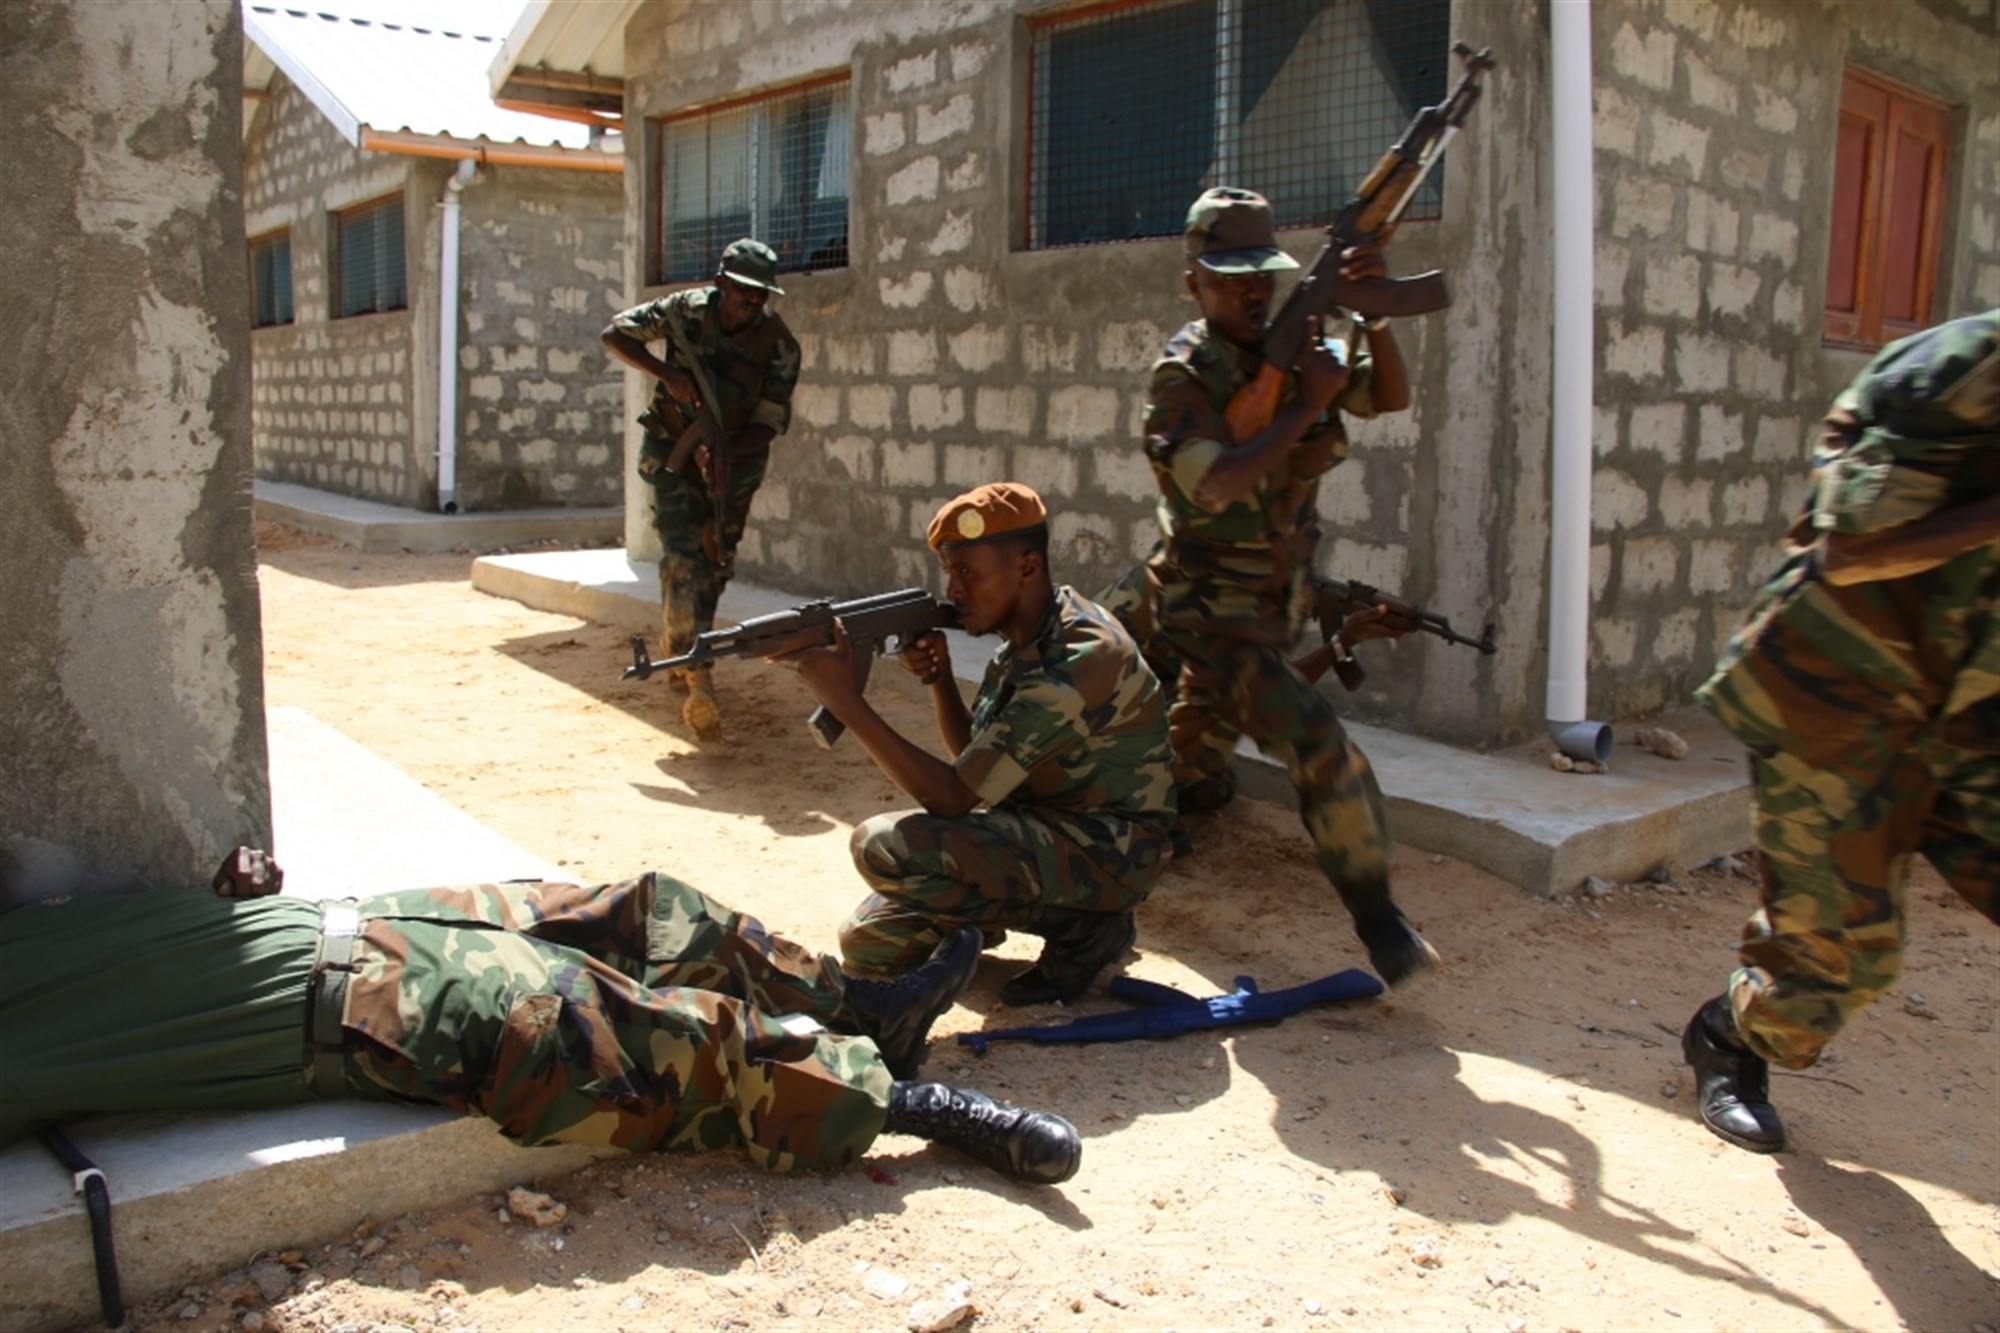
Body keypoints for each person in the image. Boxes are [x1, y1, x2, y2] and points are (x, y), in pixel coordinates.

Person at [0, 843, 1083, 1186]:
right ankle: (892, 1097)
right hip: (355, 1007)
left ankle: (856, 1007)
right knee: (613, 1037)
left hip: (354, 918)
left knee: (644, 911)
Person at [1681, 310, 1998, 1154]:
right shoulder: (1959, 369)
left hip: (1977, 710)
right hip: (1841, 705)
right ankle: (1730, 1035)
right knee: (1827, 975)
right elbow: (1851, 553)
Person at [1132, 185, 1436, 986]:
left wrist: (1369, 312)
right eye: (1230, 277)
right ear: (1191, 279)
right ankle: (1382, 922)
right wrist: (1306, 406)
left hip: (1271, 607)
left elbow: (1391, 394)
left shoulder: (1296, 338)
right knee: (1317, 744)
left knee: (1188, 755)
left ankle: (1122, 819)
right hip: (1209, 611)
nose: (1252, 290)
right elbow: (1218, 485)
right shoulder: (1183, 376)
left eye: (1262, 274)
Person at [772, 483, 1177, 1007]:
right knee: (868, 943)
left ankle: (1089, 930)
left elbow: (953, 798)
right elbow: (977, 764)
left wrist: (848, 703)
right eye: (949, 572)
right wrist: (939, 681)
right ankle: (981, 919)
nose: (954, 589)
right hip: (1047, 830)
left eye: (967, 572)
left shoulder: (1080, 657)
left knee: (879, 843)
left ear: (1027, 567)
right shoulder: (1029, 637)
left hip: (1108, 855)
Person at [602, 238, 802, 743]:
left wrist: (725, 451)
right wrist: (668, 375)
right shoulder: (683, 312)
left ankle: (678, 637)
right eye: (744, 293)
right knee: (682, 555)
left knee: (715, 563)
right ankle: (699, 674)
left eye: (762, 295)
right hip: (674, 451)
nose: (753, 304)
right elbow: (615, 335)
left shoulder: (778, 346)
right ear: (721, 285)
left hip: (734, 461)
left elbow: (771, 422)